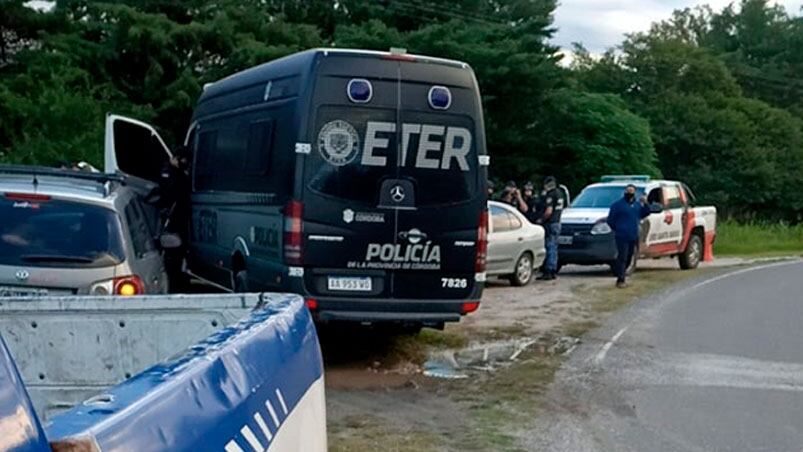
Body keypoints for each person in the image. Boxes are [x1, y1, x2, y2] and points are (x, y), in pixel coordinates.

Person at [159, 145, 192, 291]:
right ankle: (174, 284)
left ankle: (177, 281)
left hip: (180, 221)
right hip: (172, 222)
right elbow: (170, 195)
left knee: (178, 254)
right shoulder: (168, 174)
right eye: (183, 160)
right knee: (173, 256)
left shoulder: (178, 174)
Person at [606, 184, 651, 288]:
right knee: (622, 257)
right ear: (625, 192)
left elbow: (646, 212)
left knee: (630, 257)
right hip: (622, 235)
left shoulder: (637, 205)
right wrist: (617, 229)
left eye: (632, 191)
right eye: (628, 191)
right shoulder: (617, 205)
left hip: (633, 235)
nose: (630, 193)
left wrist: (646, 203)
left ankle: (620, 273)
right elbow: (610, 220)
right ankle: (620, 280)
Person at [536, 176, 564, 280]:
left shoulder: (551, 194)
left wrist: (541, 220)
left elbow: (549, 211)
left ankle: (548, 270)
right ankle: (553, 270)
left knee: (550, 246)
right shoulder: (560, 193)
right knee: (554, 247)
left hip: (551, 223)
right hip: (557, 222)